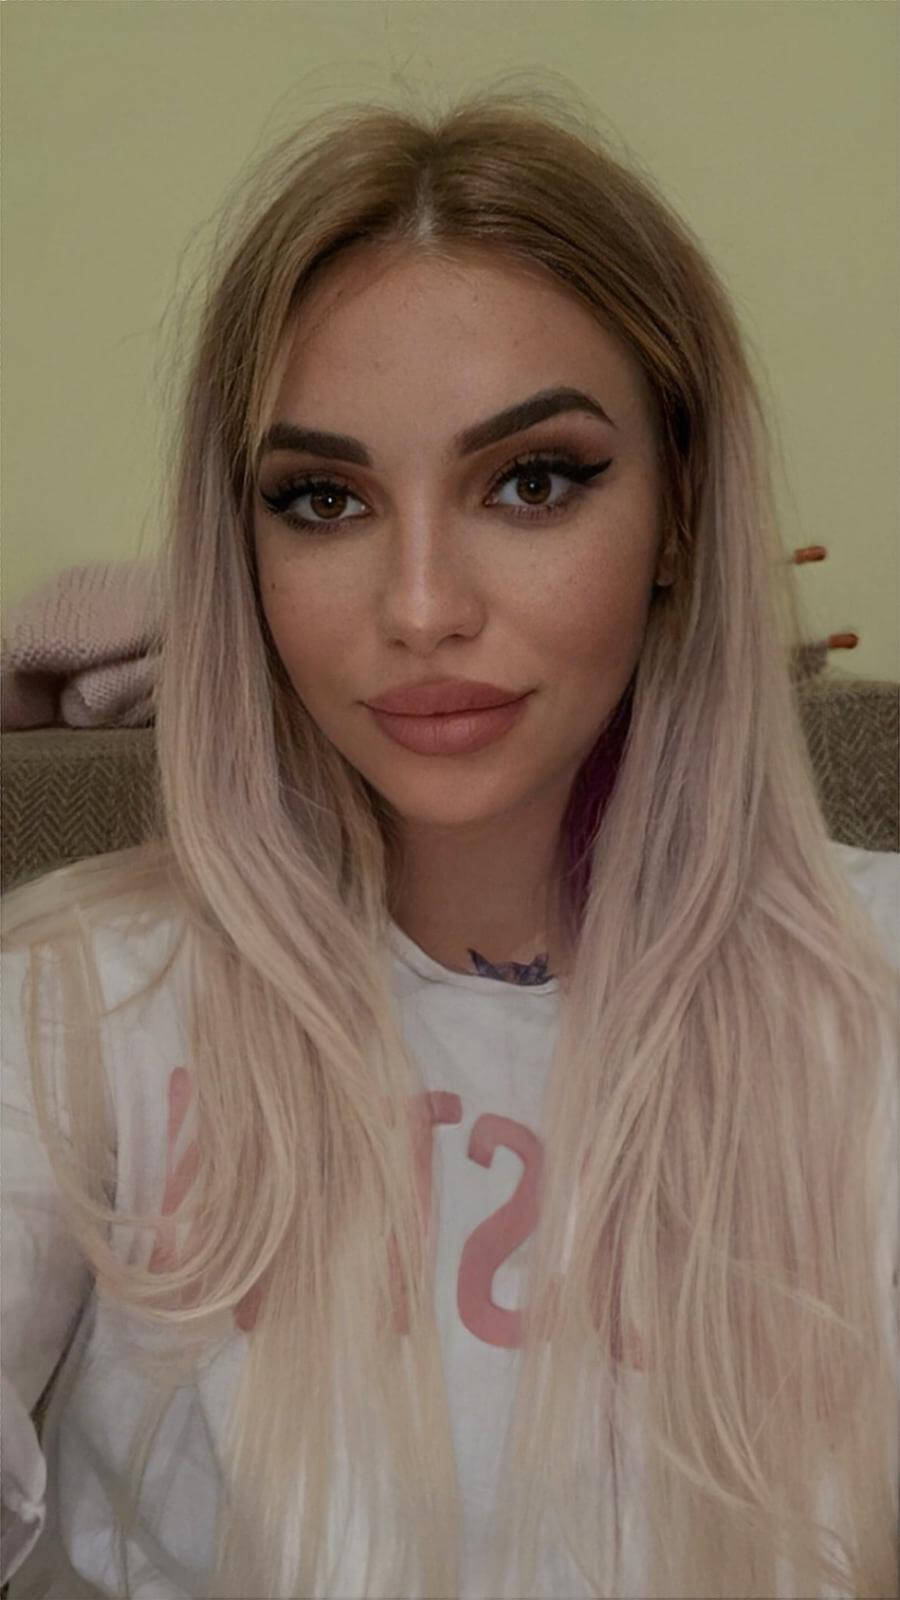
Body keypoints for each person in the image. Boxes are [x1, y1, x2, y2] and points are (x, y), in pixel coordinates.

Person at [2, 86, 898, 1600]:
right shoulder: (68, 1004)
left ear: (681, 510)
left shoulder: (873, 1001)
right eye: (324, 498)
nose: (421, 606)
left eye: (533, 482)